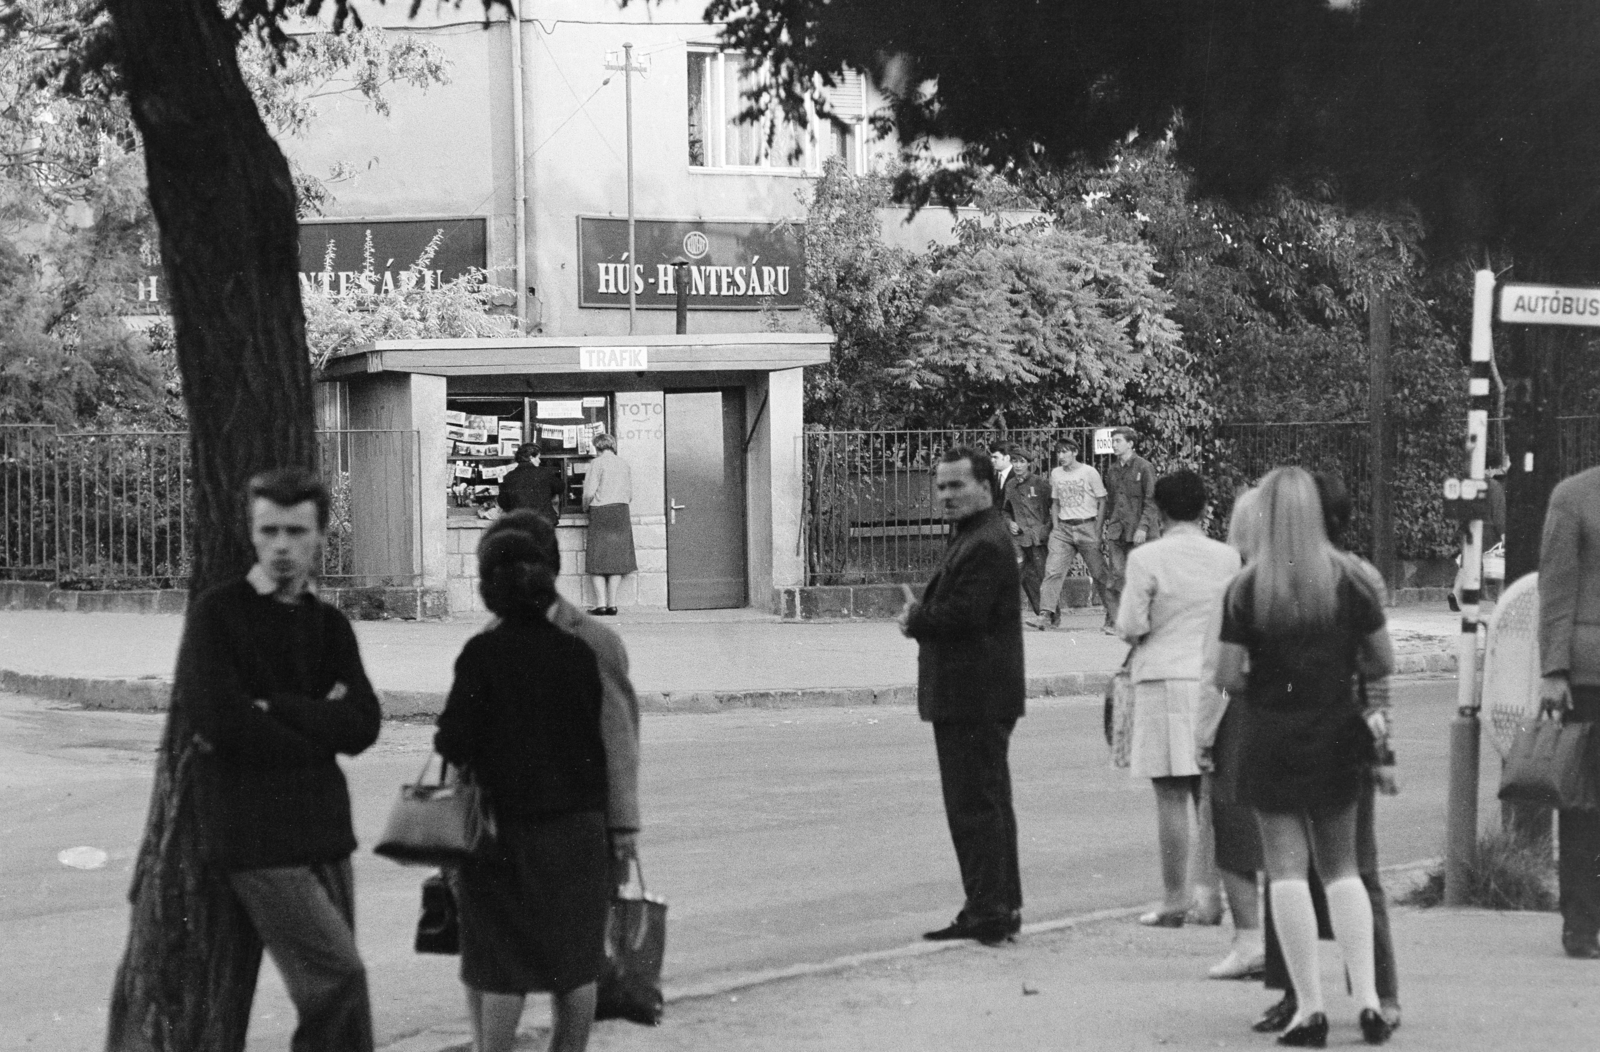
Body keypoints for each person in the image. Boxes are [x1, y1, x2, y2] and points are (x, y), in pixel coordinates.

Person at [185, 466, 382, 1052]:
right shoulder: (219, 616)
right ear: (250, 532)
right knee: (339, 980)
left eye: (296, 532)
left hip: (324, 833)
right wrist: (320, 723)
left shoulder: (330, 625)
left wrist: (276, 709)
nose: (281, 546)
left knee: (350, 1013)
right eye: (268, 530)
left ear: (321, 535)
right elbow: (222, 722)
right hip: (256, 839)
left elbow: (364, 724)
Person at [435, 513, 639, 1052]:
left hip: (521, 827)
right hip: (565, 826)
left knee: (507, 964)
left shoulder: (593, 641)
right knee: (570, 962)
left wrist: (623, 828)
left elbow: (618, 742)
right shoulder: (569, 649)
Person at [1215, 466, 1396, 1047]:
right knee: (1342, 869)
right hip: (1336, 729)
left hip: (1269, 734)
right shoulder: (1351, 581)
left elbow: (1226, 674)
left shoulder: (1246, 588)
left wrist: (1268, 686)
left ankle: (1309, 1010)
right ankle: (1368, 1001)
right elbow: (1382, 660)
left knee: (1286, 872)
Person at [898, 446, 1026, 945]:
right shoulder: (975, 536)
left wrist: (916, 620)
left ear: (984, 487)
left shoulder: (985, 542)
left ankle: (989, 910)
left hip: (975, 695)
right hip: (973, 693)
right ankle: (995, 905)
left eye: (956, 486)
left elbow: (965, 614)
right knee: (984, 804)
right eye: (941, 486)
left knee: (976, 807)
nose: (946, 495)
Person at [1115, 469, 1241, 930]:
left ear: (1160, 510)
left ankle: (1173, 900)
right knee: (1207, 797)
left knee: (1169, 794)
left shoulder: (1147, 558)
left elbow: (1131, 624)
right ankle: (1210, 899)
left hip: (1163, 679)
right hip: (1215, 681)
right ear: (1206, 507)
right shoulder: (1228, 558)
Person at [1198, 489, 1266, 981]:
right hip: (1313, 717)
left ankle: (1249, 941)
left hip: (1246, 717)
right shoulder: (1326, 579)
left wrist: (1203, 734)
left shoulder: (1238, 587)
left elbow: (1217, 672)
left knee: (1236, 832)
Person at [1537, 463, 1600, 960]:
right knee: (1582, 802)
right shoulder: (1573, 496)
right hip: (1588, 674)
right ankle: (1581, 923)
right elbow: (1556, 589)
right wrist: (1554, 670)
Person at [1032, 438, 1110, 631]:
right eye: (1058, 452)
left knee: (1099, 573)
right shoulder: (1056, 473)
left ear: (1075, 452)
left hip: (1086, 526)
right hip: (1064, 530)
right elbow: (1055, 502)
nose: (1061, 456)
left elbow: (1102, 500)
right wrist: (1057, 527)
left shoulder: (1089, 472)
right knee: (1052, 571)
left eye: (1065, 452)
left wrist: (1098, 529)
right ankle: (1045, 615)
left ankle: (1114, 616)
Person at [1101, 426, 1160, 633]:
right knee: (1116, 575)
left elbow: (1152, 500)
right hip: (1118, 530)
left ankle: (1151, 620)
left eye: (1118, 441)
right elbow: (1112, 501)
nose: (1114, 445)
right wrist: (1110, 526)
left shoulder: (1144, 467)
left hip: (1140, 531)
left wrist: (1143, 527)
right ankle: (1115, 620)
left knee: (1144, 576)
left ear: (1131, 443)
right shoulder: (1112, 470)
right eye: (1113, 441)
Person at [582, 432, 636, 616]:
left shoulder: (596, 464)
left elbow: (589, 491)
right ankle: (613, 604)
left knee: (597, 558)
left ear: (597, 447)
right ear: (612, 446)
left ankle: (601, 604)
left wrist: (584, 507)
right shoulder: (624, 463)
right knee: (616, 558)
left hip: (601, 512)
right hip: (621, 511)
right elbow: (629, 494)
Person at [1002, 445, 1051, 616]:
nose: (1017, 465)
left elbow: (1055, 508)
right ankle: (1040, 614)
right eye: (1014, 461)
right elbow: (1006, 510)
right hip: (1020, 539)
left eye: (1021, 462)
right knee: (1025, 578)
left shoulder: (1041, 483)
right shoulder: (1010, 485)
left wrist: (1046, 529)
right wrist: (1010, 523)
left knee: (1044, 576)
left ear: (1028, 464)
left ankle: (1051, 615)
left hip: (1038, 538)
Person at [498, 443, 563, 523]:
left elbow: (503, 502)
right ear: (531, 457)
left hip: (519, 523)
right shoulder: (545, 473)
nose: (539, 461)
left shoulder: (509, 477)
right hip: (544, 522)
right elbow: (560, 487)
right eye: (538, 457)